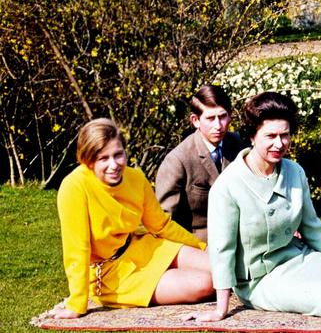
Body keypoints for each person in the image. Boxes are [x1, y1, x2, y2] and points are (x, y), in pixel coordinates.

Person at [185, 91, 321, 322]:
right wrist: (220, 309)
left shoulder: (295, 172)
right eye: (270, 136)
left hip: (299, 258)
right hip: (258, 280)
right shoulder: (228, 186)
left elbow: (313, 229)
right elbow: (222, 251)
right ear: (252, 136)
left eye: (285, 135)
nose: (280, 144)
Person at [50, 118, 213, 319]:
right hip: (110, 274)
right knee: (206, 284)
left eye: (118, 155)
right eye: (103, 158)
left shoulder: (135, 177)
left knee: (220, 267)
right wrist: (77, 303)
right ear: (88, 160)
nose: (114, 165)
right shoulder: (74, 187)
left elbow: (160, 224)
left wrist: (201, 246)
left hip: (140, 247)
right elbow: (77, 249)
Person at [156, 84, 244, 241]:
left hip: (243, 236)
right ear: (195, 120)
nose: (218, 126)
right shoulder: (177, 161)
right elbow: (165, 222)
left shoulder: (239, 145)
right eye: (210, 118)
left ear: (230, 115)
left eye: (222, 117)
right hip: (200, 246)